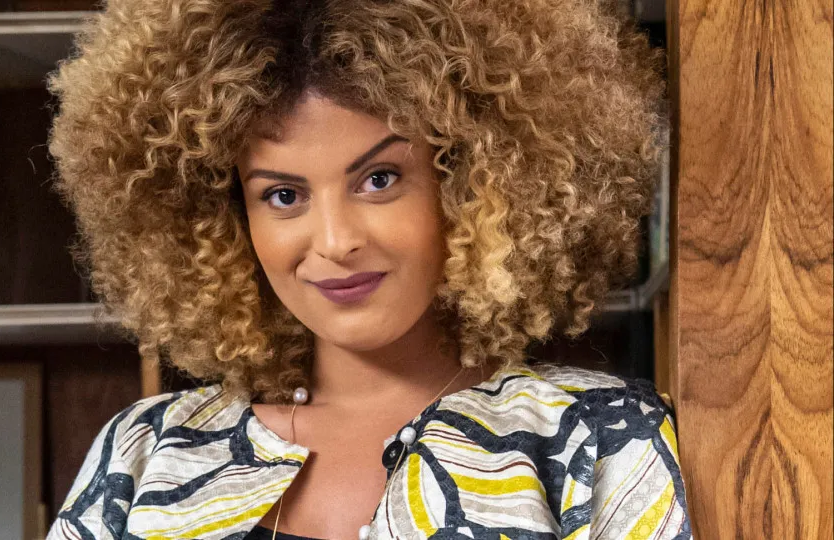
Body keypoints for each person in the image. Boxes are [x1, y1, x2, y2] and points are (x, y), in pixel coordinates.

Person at [45, 0, 691, 538]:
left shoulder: (598, 441)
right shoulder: (144, 454)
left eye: (379, 179)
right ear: (230, 218)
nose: (335, 241)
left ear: (473, 183)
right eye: (283, 195)